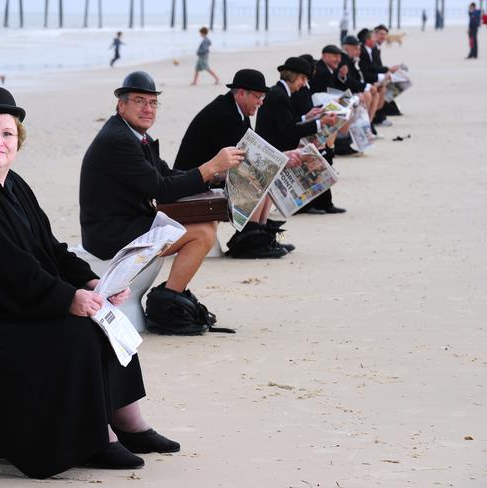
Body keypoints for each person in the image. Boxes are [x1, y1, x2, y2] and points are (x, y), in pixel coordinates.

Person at [0, 86, 180, 478]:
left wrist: (92, 280)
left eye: (7, 133)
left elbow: (50, 248)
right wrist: (67, 299)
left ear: (18, 141)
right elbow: (2, 268)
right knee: (78, 331)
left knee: (106, 317)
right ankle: (95, 438)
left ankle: (127, 421)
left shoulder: (12, 184)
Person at [80, 71, 244, 335]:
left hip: (128, 221)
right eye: (139, 101)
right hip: (110, 234)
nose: (148, 108)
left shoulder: (134, 135)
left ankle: (171, 298)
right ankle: (167, 308)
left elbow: (165, 174)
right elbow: (161, 189)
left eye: (153, 103)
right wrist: (211, 165)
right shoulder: (119, 141)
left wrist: (216, 174)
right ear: (121, 105)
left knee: (207, 221)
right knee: (202, 233)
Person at [174, 69, 299, 258]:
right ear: (241, 93)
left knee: (269, 171)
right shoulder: (225, 114)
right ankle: (250, 240)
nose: (261, 102)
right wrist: (281, 158)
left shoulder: (238, 111)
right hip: (194, 182)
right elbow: (243, 161)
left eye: (263, 97)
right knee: (257, 175)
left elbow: (250, 152)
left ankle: (260, 234)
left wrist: (283, 156)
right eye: (258, 96)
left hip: (211, 175)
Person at [255, 57, 341, 215]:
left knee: (318, 149)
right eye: (303, 78)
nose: (304, 83)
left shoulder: (278, 92)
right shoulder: (280, 95)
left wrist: (305, 117)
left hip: (275, 142)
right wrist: (320, 123)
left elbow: (286, 123)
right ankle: (309, 204)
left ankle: (318, 203)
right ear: (293, 76)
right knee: (315, 154)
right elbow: (289, 130)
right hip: (274, 148)